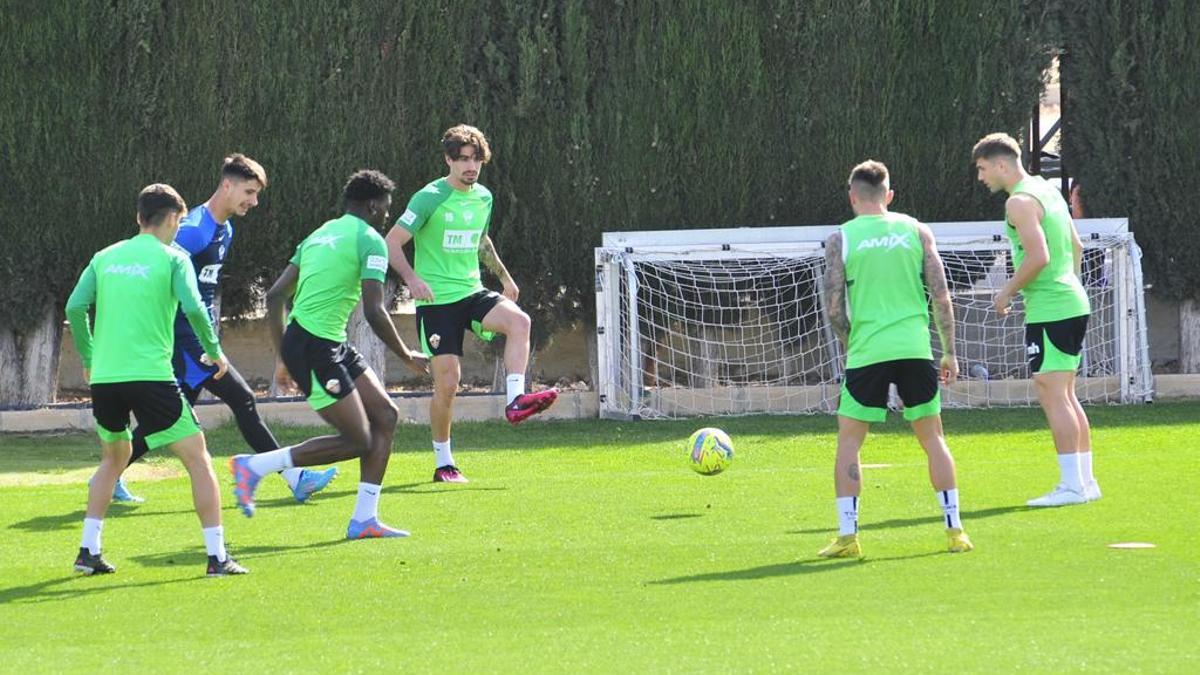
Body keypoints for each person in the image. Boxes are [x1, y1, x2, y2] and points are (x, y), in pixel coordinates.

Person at [106, 154, 337, 504]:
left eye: (257, 194)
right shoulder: (193, 229)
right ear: (226, 185)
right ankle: (295, 476)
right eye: (249, 191)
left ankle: (108, 477)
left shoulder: (225, 228)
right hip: (186, 339)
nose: (253, 201)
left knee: (163, 419)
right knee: (243, 400)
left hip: (198, 338)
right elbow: (157, 271)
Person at [229, 170, 428, 539]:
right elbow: (374, 310)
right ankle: (255, 467)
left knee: (385, 415)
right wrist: (405, 353)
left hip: (322, 343)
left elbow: (274, 296)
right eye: (385, 209)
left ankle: (364, 520)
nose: (387, 215)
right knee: (358, 439)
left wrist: (283, 356)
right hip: (316, 347)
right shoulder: (371, 240)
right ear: (372, 206)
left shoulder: (320, 233)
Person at [66, 183, 247, 576]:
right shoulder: (174, 259)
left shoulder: (104, 257)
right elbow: (196, 309)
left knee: (113, 459)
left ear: (138, 218)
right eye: (178, 223)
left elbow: (75, 306)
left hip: (106, 380)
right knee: (198, 459)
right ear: (171, 219)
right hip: (151, 377)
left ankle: (88, 551)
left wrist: (89, 358)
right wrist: (214, 351)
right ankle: (217, 557)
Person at [385, 124, 558, 484]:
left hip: (472, 291)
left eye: (476, 159)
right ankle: (443, 462)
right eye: (462, 159)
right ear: (448, 159)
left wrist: (506, 278)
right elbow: (392, 242)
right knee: (448, 384)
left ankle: (515, 401)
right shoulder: (429, 197)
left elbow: (481, 241)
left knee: (520, 322)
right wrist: (413, 280)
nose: (470, 166)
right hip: (437, 303)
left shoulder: (484, 197)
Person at [819, 160, 972, 557]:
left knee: (849, 442)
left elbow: (833, 305)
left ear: (853, 197)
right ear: (889, 196)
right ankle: (955, 531)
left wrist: (849, 343)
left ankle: (848, 536)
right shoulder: (917, 230)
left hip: (868, 351)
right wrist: (949, 351)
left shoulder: (842, 238)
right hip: (915, 349)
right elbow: (941, 295)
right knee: (933, 438)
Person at [973, 133, 1098, 506]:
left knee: (1052, 394)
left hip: (1052, 307)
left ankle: (1072, 487)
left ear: (1001, 165)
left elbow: (1038, 256)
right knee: (1066, 394)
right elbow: (1075, 245)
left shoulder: (1020, 202)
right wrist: (1069, 285)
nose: (980, 178)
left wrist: (1006, 291)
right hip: (1069, 300)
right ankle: (1085, 482)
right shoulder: (1046, 189)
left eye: (982, 169)